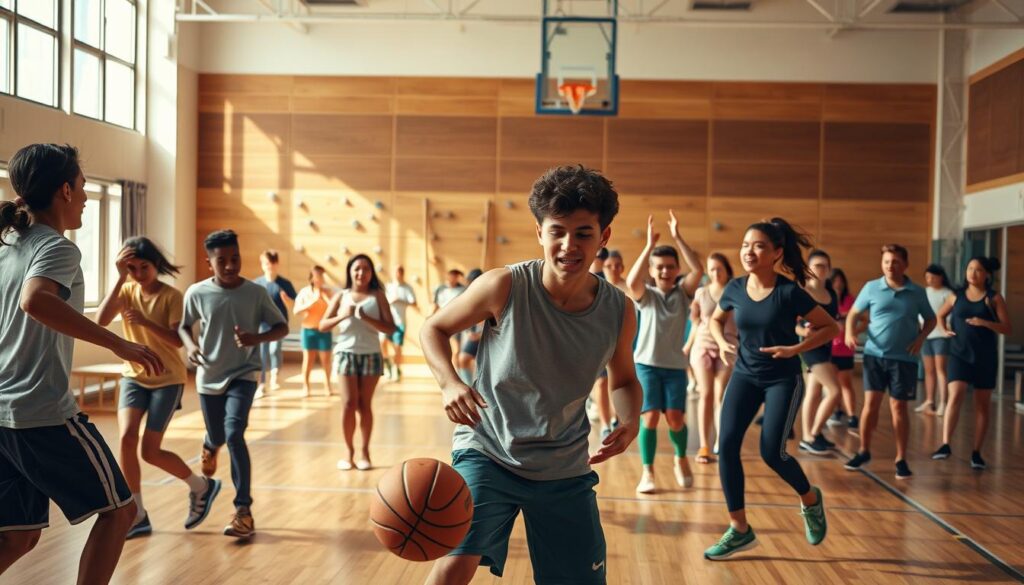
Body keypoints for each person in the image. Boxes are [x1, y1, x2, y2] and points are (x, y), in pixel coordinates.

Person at [420, 165, 641, 585]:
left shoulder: (619, 311)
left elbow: (625, 379)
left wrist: (629, 421)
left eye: (583, 233)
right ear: (539, 231)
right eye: (556, 231)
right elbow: (432, 327)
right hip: (488, 451)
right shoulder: (503, 286)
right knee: (453, 566)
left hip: (565, 466)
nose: (568, 245)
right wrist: (450, 383)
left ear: (604, 236)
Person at [0, 143, 162, 584]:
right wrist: (119, 345)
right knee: (121, 512)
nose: (88, 197)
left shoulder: (10, 242)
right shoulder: (56, 247)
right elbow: (35, 302)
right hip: (40, 413)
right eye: (85, 187)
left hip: (2, 414)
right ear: (65, 191)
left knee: (18, 536)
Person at [703, 218, 835, 560]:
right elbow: (716, 320)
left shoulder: (789, 292)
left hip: (783, 379)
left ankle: (810, 499)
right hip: (745, 375)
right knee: (726, 444)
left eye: (759, 246)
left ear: (776, 253)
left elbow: (829, 326)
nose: (749, 251)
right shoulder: (734, 288)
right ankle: (739, 529)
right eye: (746, 245)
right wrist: (721, 342)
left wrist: (795, 350)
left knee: (771, 453)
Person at [96, 237, 221, 539]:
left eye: (144, 267)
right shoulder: (125, 290)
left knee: (149, 451)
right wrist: (119, 278)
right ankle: (137, 514)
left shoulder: (171, 296)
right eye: (132, 268)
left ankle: (201, 486)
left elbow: (178, 340)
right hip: (134, 377)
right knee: (126, 438)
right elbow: (100, 321)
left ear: (156, 266)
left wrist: (145, 322)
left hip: (167, 378)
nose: (139, 273)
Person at [179, 230, 289, 540]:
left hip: (245, 372)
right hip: (209, 377)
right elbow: (184, 326)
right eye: (222, 261)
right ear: (209, 262)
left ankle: (243, 510)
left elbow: (282, 326)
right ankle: (210, 444)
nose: (230, 266)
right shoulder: (196, 293)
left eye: (235, 258)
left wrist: (258, 338)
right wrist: (189, 346)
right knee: (218, 435)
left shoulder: (255, 293)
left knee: (234, 433)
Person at [843, 244, 936, 480]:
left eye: (894, 262)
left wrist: (920, 339)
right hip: (875, 356)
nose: (890, 266)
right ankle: (863, 450)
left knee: (898, 407)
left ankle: (901, 458)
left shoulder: (916, 292)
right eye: (886, 262)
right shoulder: (872, 288)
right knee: (871, 404)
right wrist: (849, 332)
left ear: (905, 265)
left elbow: (931, 319)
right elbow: (854, 313)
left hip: (904, 359)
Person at [627, 211, 704, 494]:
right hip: (646, 365)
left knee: (675, 418)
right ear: (652, 269)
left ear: (675, 269)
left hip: (674, 367)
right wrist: (648, 246)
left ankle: (680, 459)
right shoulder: (646, 295)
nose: (664, 271)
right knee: (649, 418)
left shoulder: (683, 293)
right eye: (658, 267)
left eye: (670, 266)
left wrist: (677, 237)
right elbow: (632, 279)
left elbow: (697, 270)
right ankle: (647, 472)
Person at [931, 257, 1010, 469]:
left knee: (982, 405)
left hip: (985, 357)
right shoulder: (955, 296)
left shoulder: (994, 298)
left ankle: (976, 452)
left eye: (978, 270)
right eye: (970, 269)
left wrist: (985, 322)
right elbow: (940, 315)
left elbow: (1006, 328)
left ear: (987, 275)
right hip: (959, 354)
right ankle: (946, 444)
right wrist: (944, 329)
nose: (973, 273)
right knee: (955, 394)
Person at [320, 254, 395, 471]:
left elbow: (390, 328)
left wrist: (366, 317)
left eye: (365, 269)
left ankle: (365, 451)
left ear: (371, 273)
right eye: (357, 269)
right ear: (350, 272)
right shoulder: (341, 296)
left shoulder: (378, 296)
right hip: (345, 353)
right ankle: (349, 452)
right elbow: (323, 325)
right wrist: (342, 316)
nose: (361, 273)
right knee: (348, 404)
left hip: (371, 354)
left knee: (364, 405)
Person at [688, 253, 736, 464]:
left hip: (728, 346)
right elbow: (696, 321)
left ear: (727, 270)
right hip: (703, 346)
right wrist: (688, 345)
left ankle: (721, 442)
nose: (715, 272)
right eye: (711, 268)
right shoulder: (701, 292)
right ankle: (704, 445)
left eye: (719, 268)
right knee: (706, 393)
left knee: (720, 395)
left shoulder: (735, 292)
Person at [797, 250, 843, 456]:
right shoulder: (803, 292)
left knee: (814, 393)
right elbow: (792, 324)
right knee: (834, 391)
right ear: (808, 269)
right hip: (810, 347)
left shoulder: (831, 293)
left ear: (829, 269)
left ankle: (808, 437)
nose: (821, 269)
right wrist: (803, 331)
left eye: (824, 266)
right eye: (817, 265)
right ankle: (813, 433)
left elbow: (834, 320)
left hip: (826, 346)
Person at [252, 250, 297, 396]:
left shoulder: (285, 284)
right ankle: (262, 384)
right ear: (262, 264)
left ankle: (275, 374)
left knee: (273, 349)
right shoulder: (257, 284)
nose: (268, 266)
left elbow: (293, 304)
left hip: (279, 324)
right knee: (263, 353)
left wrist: (287, 301)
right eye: (265, 263)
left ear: (276, 264)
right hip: (261, 324)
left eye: (271, 263)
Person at [293, 265, 335, 397]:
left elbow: (334, 310)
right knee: (308, 360)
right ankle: (306, 386)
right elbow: (296, 311)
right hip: (308, 330)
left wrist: (325, 298)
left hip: (324, 330)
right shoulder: (305, 292)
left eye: (321, 275)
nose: (319, 278)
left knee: (326, 360)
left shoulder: (328, 292)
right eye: (317, 275)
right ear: (311, 277)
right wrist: (311, 303)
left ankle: (327, 386)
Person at [918, 264, 954, 416]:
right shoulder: (924, 292)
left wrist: (945, 328)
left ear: (941, 277)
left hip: (941, 336)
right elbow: (920, 312)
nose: (929, 279)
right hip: (926, 336)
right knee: (929, 370)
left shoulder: (948, 293)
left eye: (932, 276)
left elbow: (950, 315)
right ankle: (929, 400)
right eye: (927, 277)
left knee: (941, 370)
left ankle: (943, 403)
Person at [826, 268, 858, 432]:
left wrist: (853, 332)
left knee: (846, 383)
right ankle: (836, 411)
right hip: (829, 348)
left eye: (841, 281)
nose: (838, 284)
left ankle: (852, 415)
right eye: (835, 281)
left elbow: (863, 319)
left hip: (845, 349)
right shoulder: (826, 299)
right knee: (832, 385)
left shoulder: (850, 299)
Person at [381, 265, 418, 381]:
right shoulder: (388, 286)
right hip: (387, 321)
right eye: (397, 271)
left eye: (401, 272)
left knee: (397, 347)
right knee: (382, 342)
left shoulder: (407, 288)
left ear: (403, 273)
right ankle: (387, 364)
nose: (399, 274)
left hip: (400, 322)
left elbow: (414, 303)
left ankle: (396, 369)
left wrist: (400, 300)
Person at [456, 269, 484, 385]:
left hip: (487, 335)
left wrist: (481, 334)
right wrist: (468, 332)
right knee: (463, 358)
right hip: (473, 334)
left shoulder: (487, 293)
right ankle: (469, 387)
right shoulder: (466, 294)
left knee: (481, 363)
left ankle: (478, 388)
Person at [434, 269, 466, 363]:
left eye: (456, 276)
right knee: (449, 348)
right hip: (443, 320)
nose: (454, 278)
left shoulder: (462, 289)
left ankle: (456, 371)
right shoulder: (441, 289)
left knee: (456, 349)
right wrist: (430, 316)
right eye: (452, 276)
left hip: (457, 321)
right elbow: (435, 304)